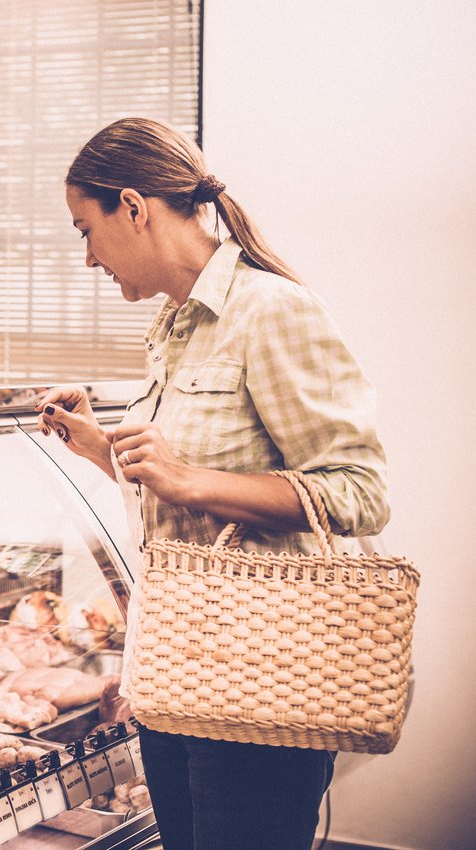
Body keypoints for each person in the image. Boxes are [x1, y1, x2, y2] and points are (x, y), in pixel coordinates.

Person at [35, 118, 389, 850]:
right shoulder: (172, 324)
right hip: (177, 675)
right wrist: (103, 449)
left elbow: (358, 492)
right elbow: (182, 488)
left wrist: (188, 478)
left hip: (262, 679)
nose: (87, 257)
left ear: (133, 207)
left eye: (84, 229)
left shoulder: (272, 310)